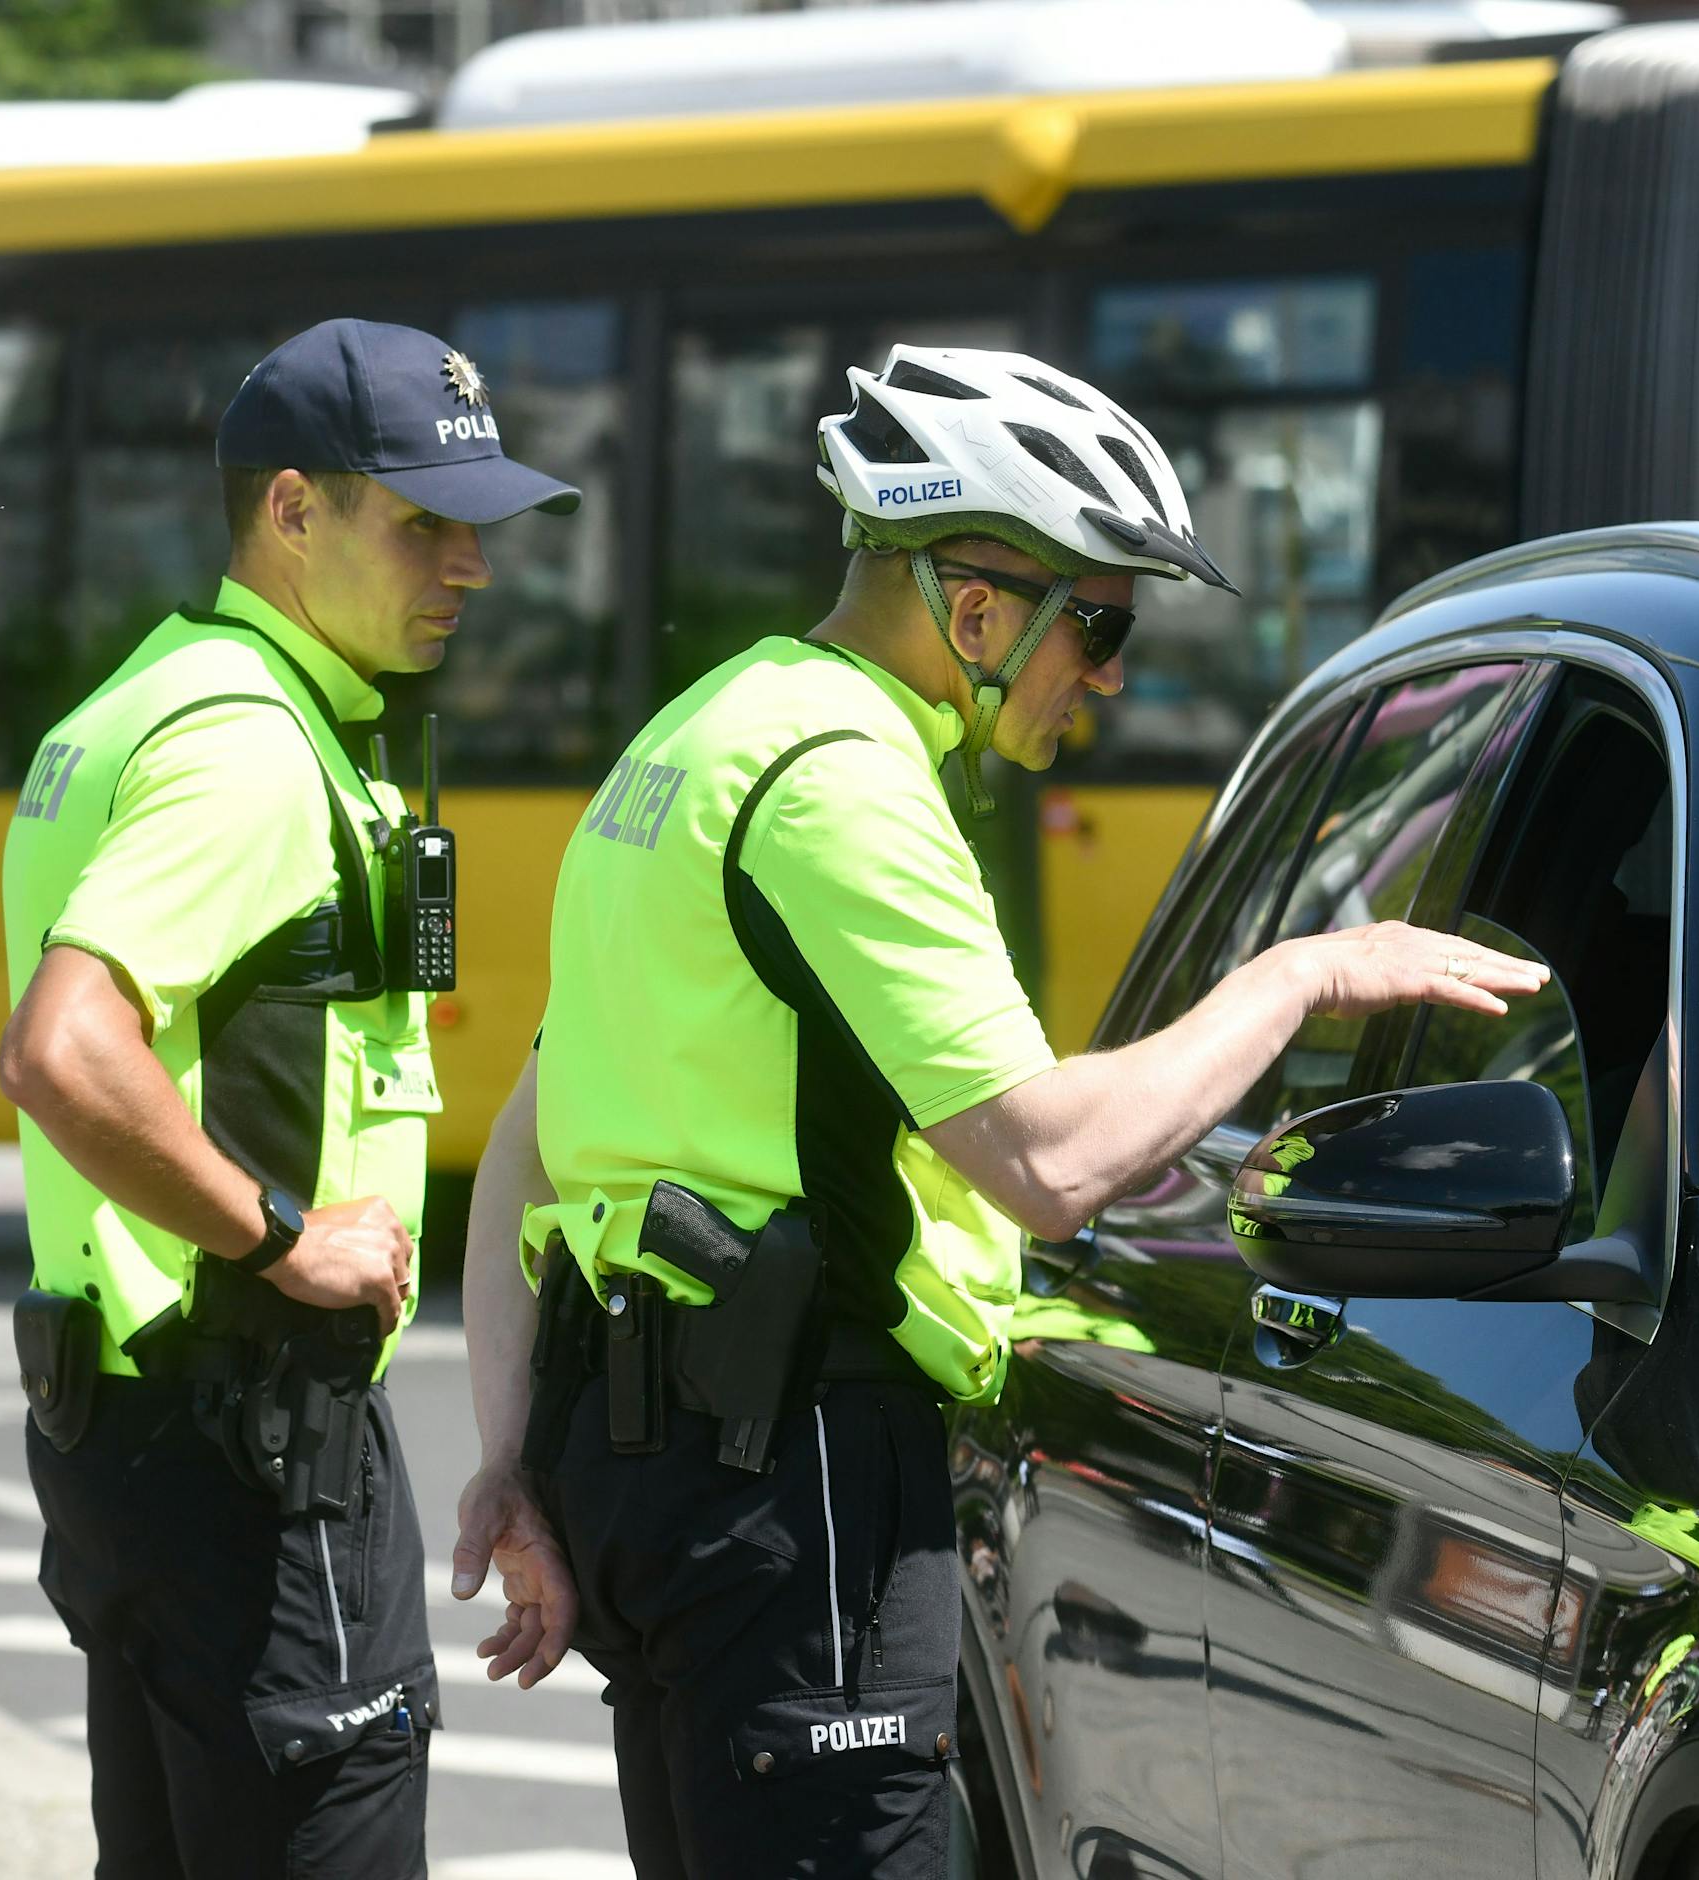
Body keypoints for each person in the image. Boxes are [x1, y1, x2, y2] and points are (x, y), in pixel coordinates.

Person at [446, 343, 1544, 1877]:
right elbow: (1052, 1159)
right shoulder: (845, 786)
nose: (1107, 674)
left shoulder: (701, 734)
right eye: (1095, 624)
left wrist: (510, 1452)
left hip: (656, 1473)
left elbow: (526, 1133)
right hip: (802, 1491)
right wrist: (1301, 974)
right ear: (973, 607)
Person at [0, 316, 579, 1880]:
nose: (469, 566)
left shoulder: (152, 696)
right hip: (257, 1446)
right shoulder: (253, 749)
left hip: (130, 1430)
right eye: (424, 522)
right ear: (292, 510)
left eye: (480, 527)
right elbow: (62, 1048)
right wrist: (283, 1240)